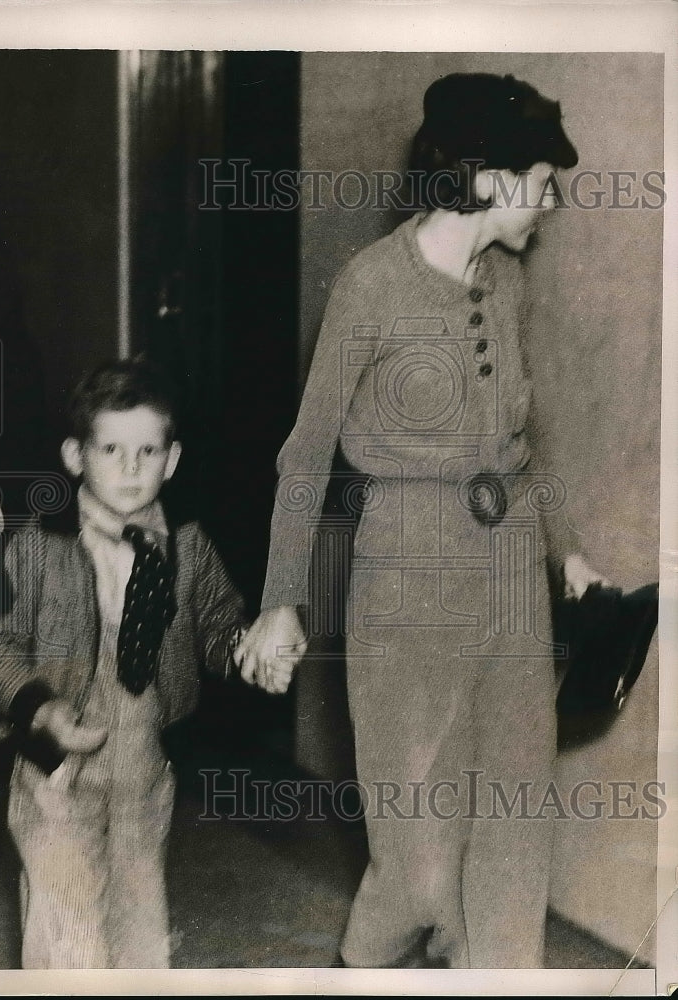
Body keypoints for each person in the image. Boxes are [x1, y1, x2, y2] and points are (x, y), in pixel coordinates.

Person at [235, 73, 608, 968]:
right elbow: (305, 451)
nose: (550, 199)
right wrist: (281, 599)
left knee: (514, 824)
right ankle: (366, 969)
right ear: (489, 181)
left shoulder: (506, 283)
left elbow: (523, 440)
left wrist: (563, 554)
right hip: (406, 573)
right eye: (542, 179)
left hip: (510, 570)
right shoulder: (370, 287)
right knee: (419, 860)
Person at [0, 358, 246, 969]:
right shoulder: (38, 543)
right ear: (76, 457)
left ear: (172, 458)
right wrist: (39, 707)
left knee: (139, 914)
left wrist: (245, 649)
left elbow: (216, 626)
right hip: (56, 764)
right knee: (67, 923)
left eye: (148, 451)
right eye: (111, 448)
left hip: (144, 760)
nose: (132, 468)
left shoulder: (187, 545)